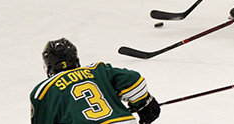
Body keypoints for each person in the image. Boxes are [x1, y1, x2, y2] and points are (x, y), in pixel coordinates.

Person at [30, 37, 161, 124]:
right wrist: (143, 104)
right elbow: (134, 80)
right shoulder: (98, 70)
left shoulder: (43, 91)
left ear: (48, 66)